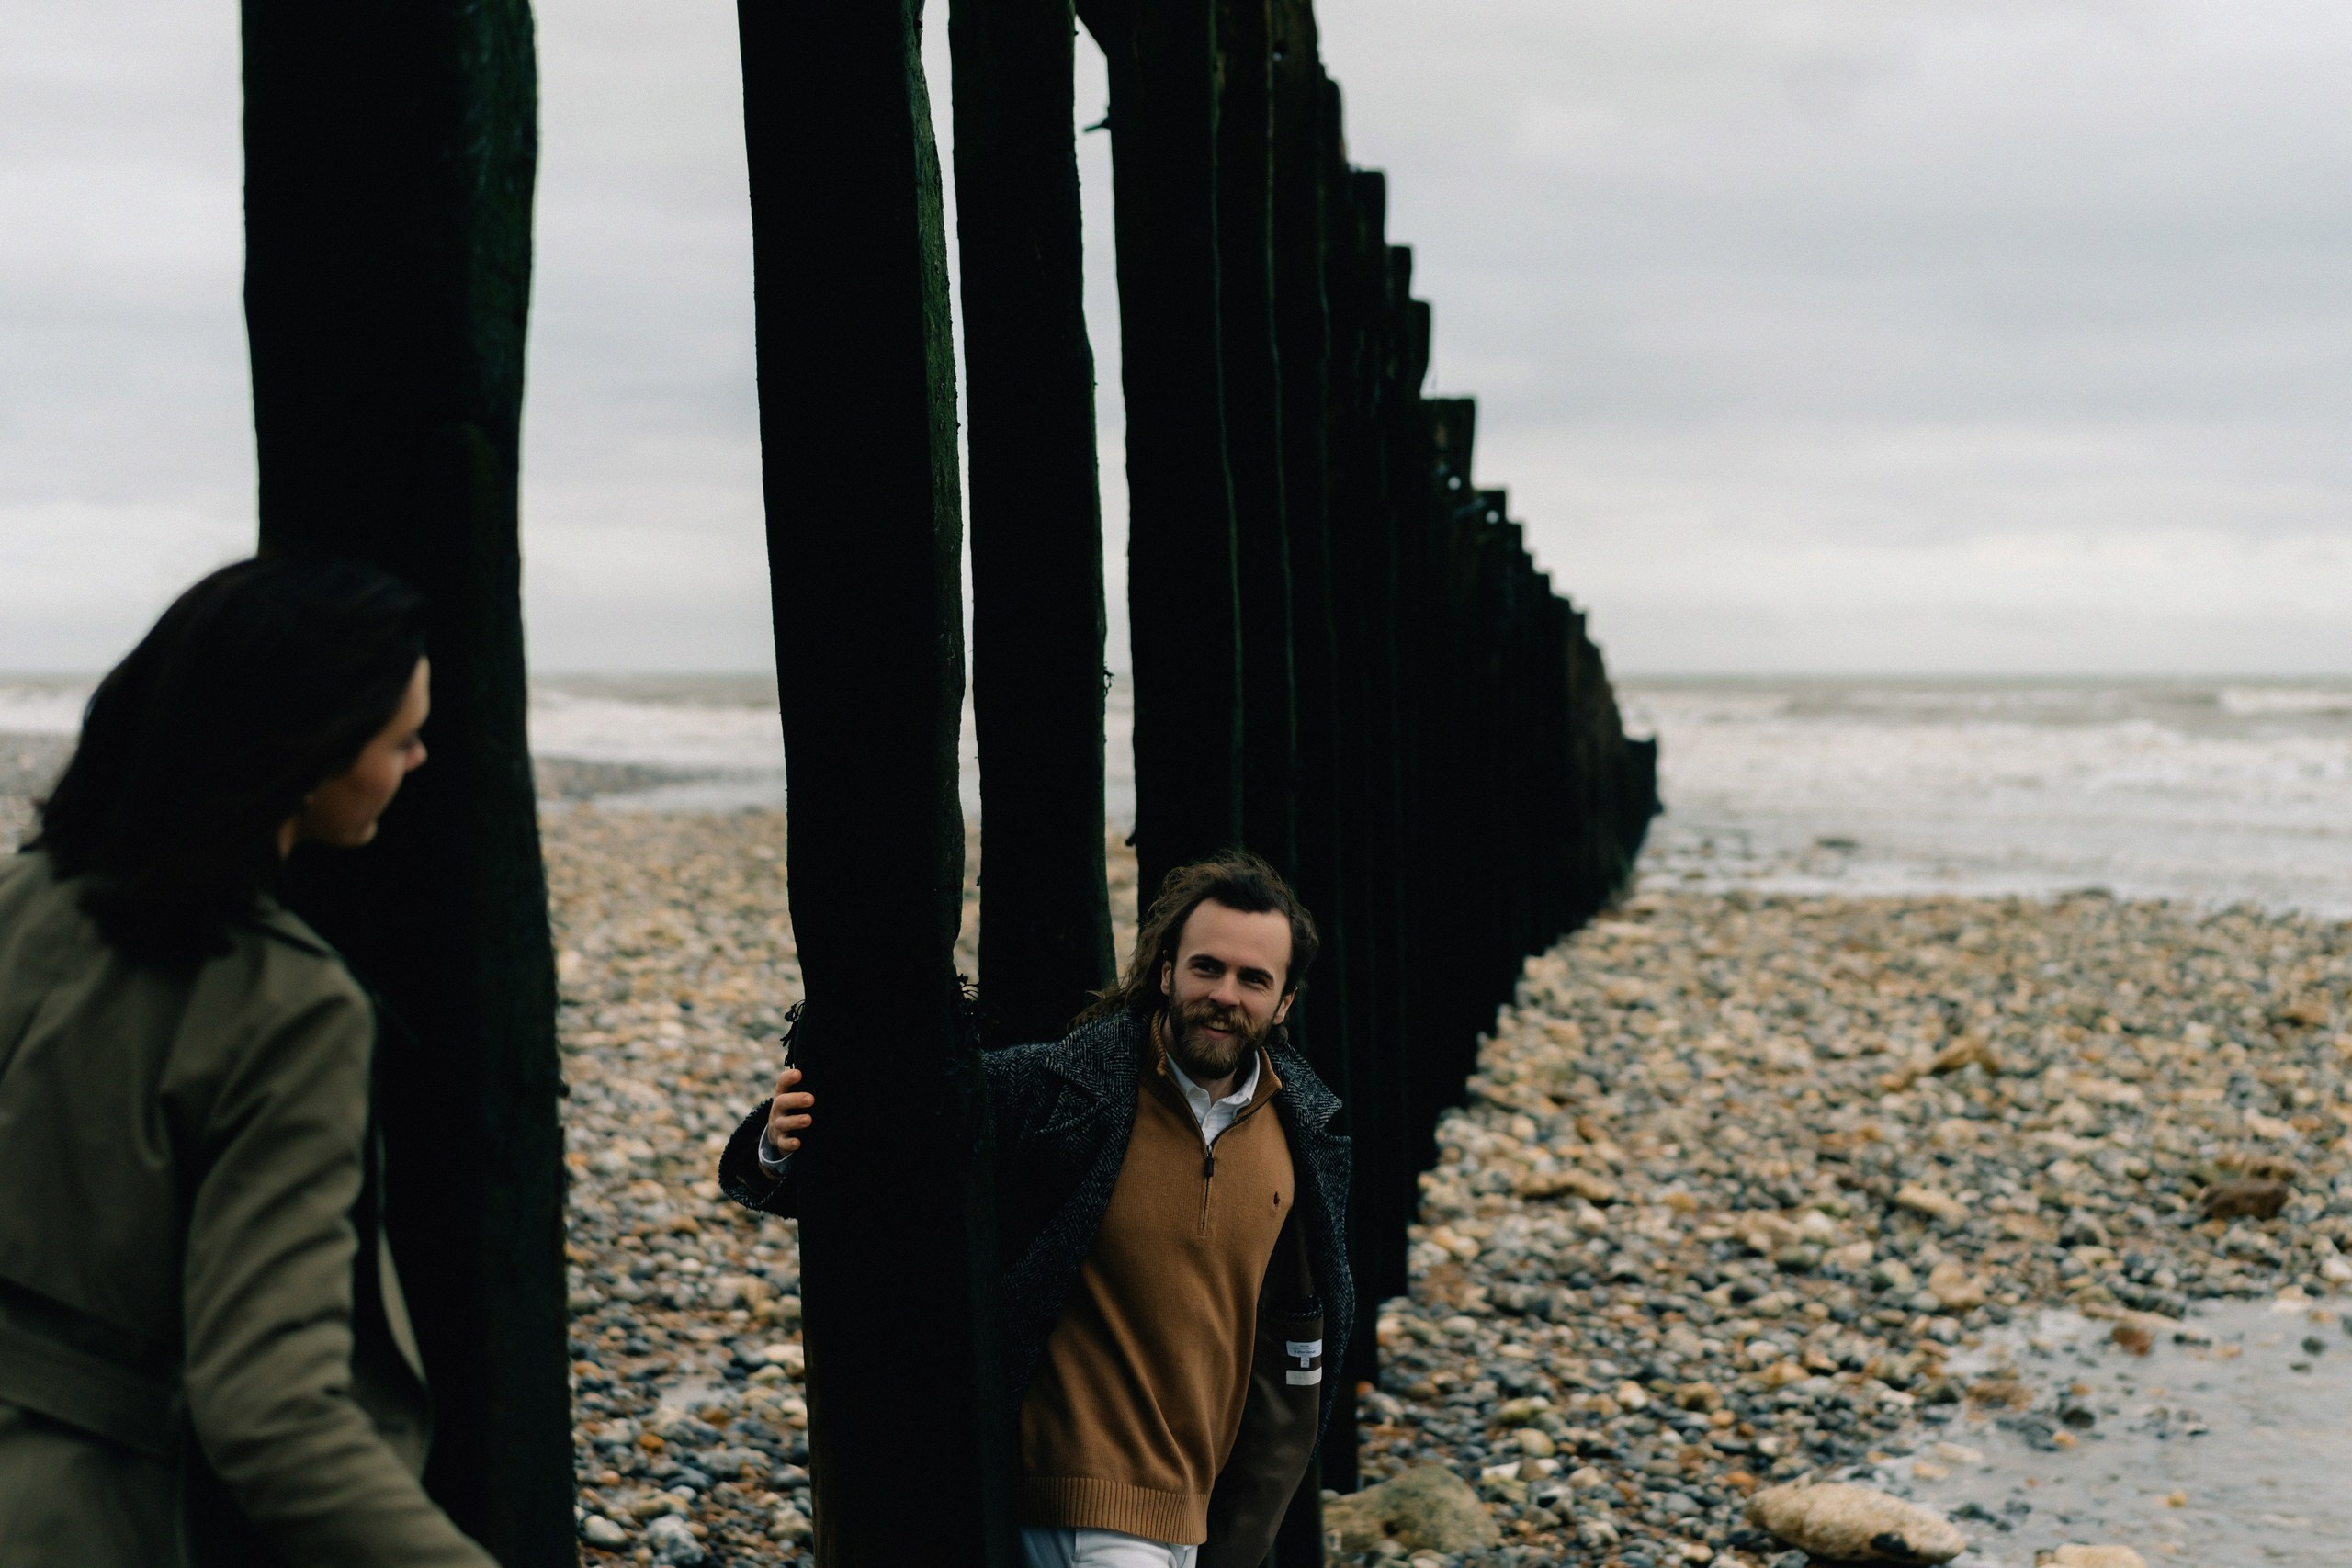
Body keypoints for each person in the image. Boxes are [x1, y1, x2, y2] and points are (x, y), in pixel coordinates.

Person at [0, 558, 498, 1567]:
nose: (418, 761)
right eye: (399, 739)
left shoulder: (16, 905)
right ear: (309, 753)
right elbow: (271, 1413)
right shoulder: (289, 1009)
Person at [719, 852, 1352, 1568]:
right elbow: (905, 1159)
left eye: (1253, 979)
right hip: (1076, 1494)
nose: (1225, 994)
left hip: (1203, 1512)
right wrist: (777, 1148)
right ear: (1168, 970)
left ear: (1286, 1001)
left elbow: (1295, 1337)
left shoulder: (1306, 1133)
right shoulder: (1058, 1091)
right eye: (1207, 967)